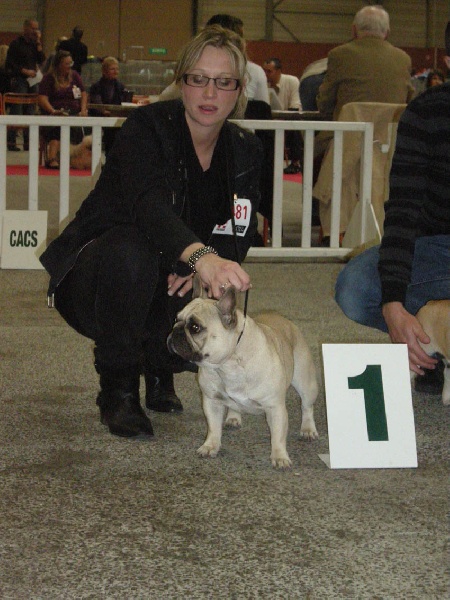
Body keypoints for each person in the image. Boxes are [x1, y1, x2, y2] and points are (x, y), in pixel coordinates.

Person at [39, 26, 263, 439]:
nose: (209, 93)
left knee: (187, 300)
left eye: (223, 82)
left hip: (173, 272)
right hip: (100, 273)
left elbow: (240, 226)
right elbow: (148, 207)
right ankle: (118, 389)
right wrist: (201, 258)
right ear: (181, 81)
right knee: (134, 251)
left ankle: (161, 368)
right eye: (198, 78)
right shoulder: (145, 127)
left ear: (239, 88)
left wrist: (201, 264)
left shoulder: (245, 148)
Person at [335, 76, 450, 395]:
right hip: (435, 248)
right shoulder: (427, 112)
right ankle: (432, 346)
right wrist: (393, 301)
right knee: (356, 289)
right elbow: (403, 212)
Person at [38, 50, 88, 169]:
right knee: (58, 128)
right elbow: (42, 98)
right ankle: (52, 158)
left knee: (79, 127)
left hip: (73, 113)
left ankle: (74, 158)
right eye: (67, 64)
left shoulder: (75, 76)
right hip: (55, 113)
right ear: (58, 65)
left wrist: (83, 109)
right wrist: (53, 111)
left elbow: (83, 93)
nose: (70, 66)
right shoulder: (48, 78)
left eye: (71, 63)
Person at [5, 19, 45, 151]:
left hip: (32, 80)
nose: (35, 31)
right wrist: (24, 71)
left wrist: (39, 43)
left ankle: (28, 142)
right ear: (25, 28)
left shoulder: (35, 44)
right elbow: (9, 64)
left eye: (37, 28)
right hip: (20, 79)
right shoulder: (16, 44)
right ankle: (11, 142)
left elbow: (42, 60)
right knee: (17, 110)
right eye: (33, 28)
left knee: (31, 110)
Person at [263, 57, 302, 174]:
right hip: (271, 121)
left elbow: (295, 105)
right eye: (264, 71)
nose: (266, 75)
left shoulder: (292, 81)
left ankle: (295, 163)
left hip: (288, 119)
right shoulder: (263, 84)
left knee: (294, 127)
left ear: (279, 71)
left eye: (269, 71)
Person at [88, 56, 126, 155]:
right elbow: (97, 105)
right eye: (112, 69)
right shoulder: (96, 87)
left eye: (117, 69)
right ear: (104, 71)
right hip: (99, 119)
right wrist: (106, 112)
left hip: (116, 119)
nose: (116, 72)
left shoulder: (120, 87)